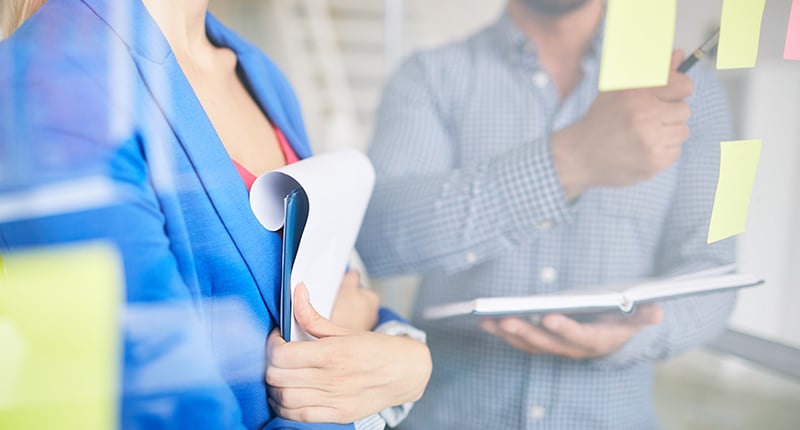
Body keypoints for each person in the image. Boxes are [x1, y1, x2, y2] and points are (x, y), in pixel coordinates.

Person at [0, 0, 431, 428]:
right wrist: (356, 399)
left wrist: (406, 358)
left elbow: (344, 291)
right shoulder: (52, 85)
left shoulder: (257, 71)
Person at [357, 0, 736, 428]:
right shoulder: (429, 76)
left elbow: (715, 269)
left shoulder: (695, 92)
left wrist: (639, 335)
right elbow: (374, 237)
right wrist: (568, 161)